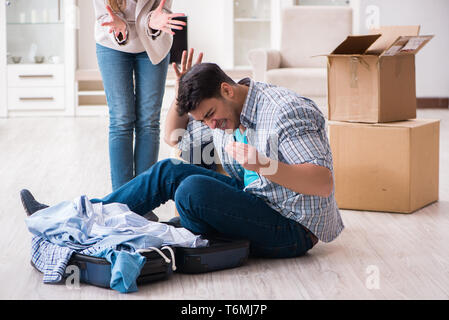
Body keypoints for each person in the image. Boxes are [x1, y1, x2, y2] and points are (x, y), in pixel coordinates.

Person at [22, 49, 344, 258]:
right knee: (168, 171)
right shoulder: (224, 110)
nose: (212, 125)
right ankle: (81, 217)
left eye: (210, 116)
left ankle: (155, 230)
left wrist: (264, 165)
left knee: (190, 192)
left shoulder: (284, 111)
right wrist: (179, 99)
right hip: (254, 198)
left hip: (292, 227)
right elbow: (171, 135)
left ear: (227, 90)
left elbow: (323, 183)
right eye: (204, 120)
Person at [94, 0, 186, 191]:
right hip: (112, 43)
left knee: (149, 121)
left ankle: (144, 199)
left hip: (153, 41)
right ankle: (121, 200)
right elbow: (103, 15)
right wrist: (119, 26)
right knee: (121, 119)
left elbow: (163, 11)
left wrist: (152, 22)